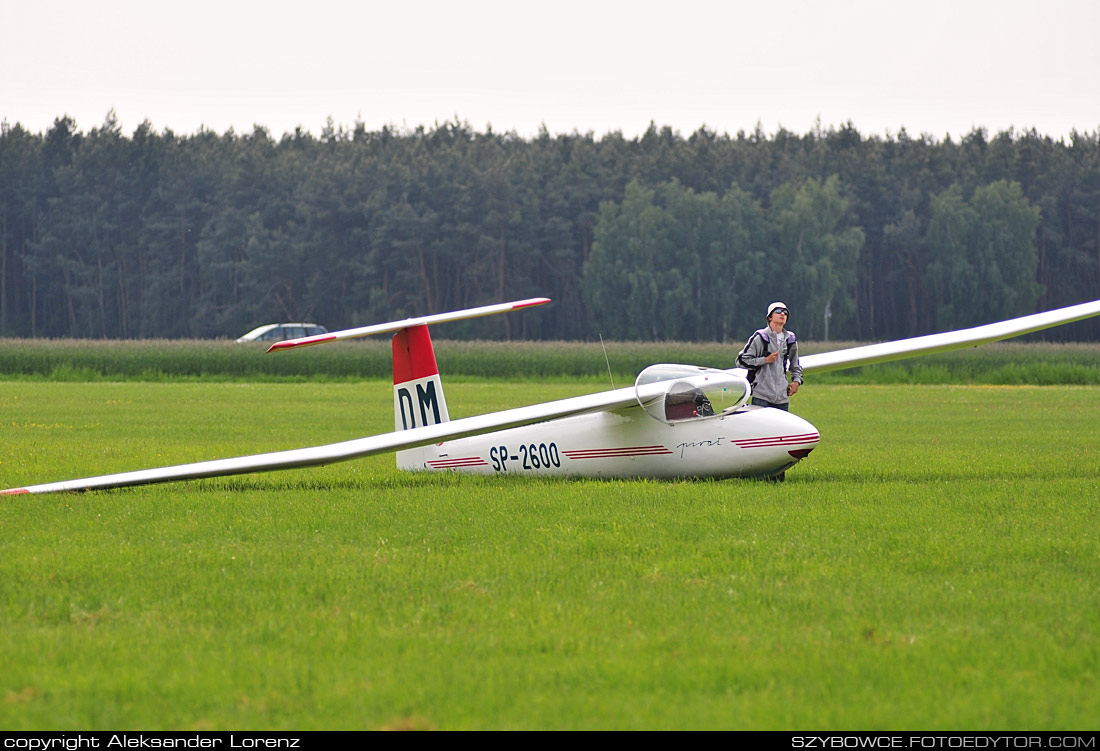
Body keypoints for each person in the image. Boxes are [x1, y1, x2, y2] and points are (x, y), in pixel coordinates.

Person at [736, 301, 803, 411]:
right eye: (778, 311)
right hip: (761, 396)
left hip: (782, 398)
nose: (783, 314)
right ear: (770, 317)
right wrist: (765, 360)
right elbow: (741, 360)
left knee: (782, 428)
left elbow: (795, 365)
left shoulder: (790, 339)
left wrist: (797, 381)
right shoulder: (760, 337)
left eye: (785, 312)